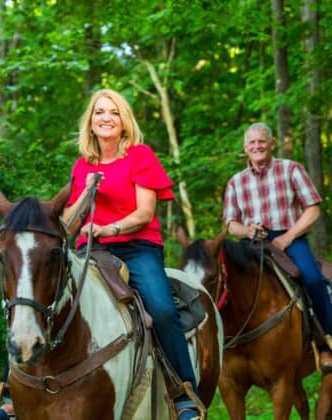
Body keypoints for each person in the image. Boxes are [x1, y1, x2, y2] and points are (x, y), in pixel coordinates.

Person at [61, 88, 202, 420]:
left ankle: (184, 393)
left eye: (113, 112)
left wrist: (107, 229)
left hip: (137, 248)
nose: (106, 118)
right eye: (99, 112)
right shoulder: (82, 166)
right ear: (90, 122)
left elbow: (144, 212)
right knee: (41, 296)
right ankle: (11, 397)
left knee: (162, 309)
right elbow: (68, 224)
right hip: (90, 251)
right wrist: (87, 194)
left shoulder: (139, 156)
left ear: (123, 121)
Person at [222, 122, 332, 374]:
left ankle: (326, 345)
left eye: (261, 141)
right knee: (228, 282)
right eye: (252, 143)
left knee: (311, 278)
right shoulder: (236, 182)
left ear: (272, 143)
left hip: (290, 238)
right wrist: (247, 230)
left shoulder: (291, 169)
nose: (257, 146)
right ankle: (229, 345)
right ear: (245, 148)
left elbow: (313, 209)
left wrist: (288, 237)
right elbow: (231, 224)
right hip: (252, 242)